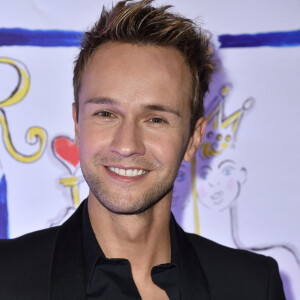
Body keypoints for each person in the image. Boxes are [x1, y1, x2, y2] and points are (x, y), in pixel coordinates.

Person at [0, 0, 286, 299]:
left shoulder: (252, 286)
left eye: (155, 119)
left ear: (193, 139)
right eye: (106, 114)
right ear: (77, 124)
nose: (126, 145)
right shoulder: (6, 276)